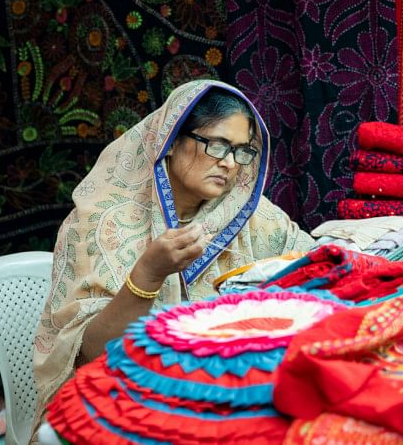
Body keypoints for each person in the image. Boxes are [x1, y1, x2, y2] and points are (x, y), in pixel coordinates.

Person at [31, 80, 315, 424]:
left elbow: (314, 261)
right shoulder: (102, 223)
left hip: (215, 396)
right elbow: (89, 354)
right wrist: (148, 274)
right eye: (217, 146)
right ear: (172, 140)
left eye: (242, 151)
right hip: (115, 403)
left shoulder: (247, 215)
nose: (230, 163)